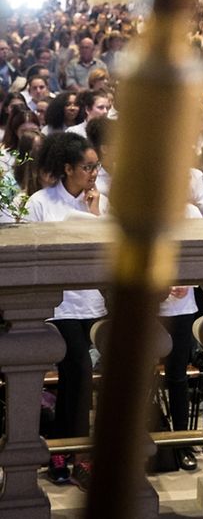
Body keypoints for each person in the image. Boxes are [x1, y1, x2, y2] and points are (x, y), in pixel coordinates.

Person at [26, 132, 106, 490]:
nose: (93, 173)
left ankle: (64, 455)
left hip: (92, 302)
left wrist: (94, 216)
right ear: (67, 168)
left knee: (78, 383)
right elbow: (33, 254)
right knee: (80, 371)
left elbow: (107, 253)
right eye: (87, 167)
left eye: (95, 167)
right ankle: (72, 457)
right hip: (59, 307)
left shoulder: (97, 202)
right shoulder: (40, 203)